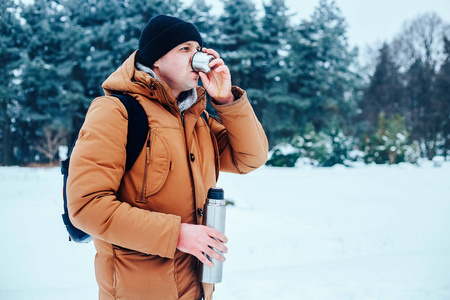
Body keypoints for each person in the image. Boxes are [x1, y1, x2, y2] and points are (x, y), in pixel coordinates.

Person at [67, 14, 268, 300]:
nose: (196, 57)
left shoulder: (198, 120)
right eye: (184, 49)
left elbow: (251, 158)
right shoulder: (115, 112)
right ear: (155, 59)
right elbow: (87, 206)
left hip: (195, 290)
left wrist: (225, 100)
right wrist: (177, 235)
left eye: (198, 49)